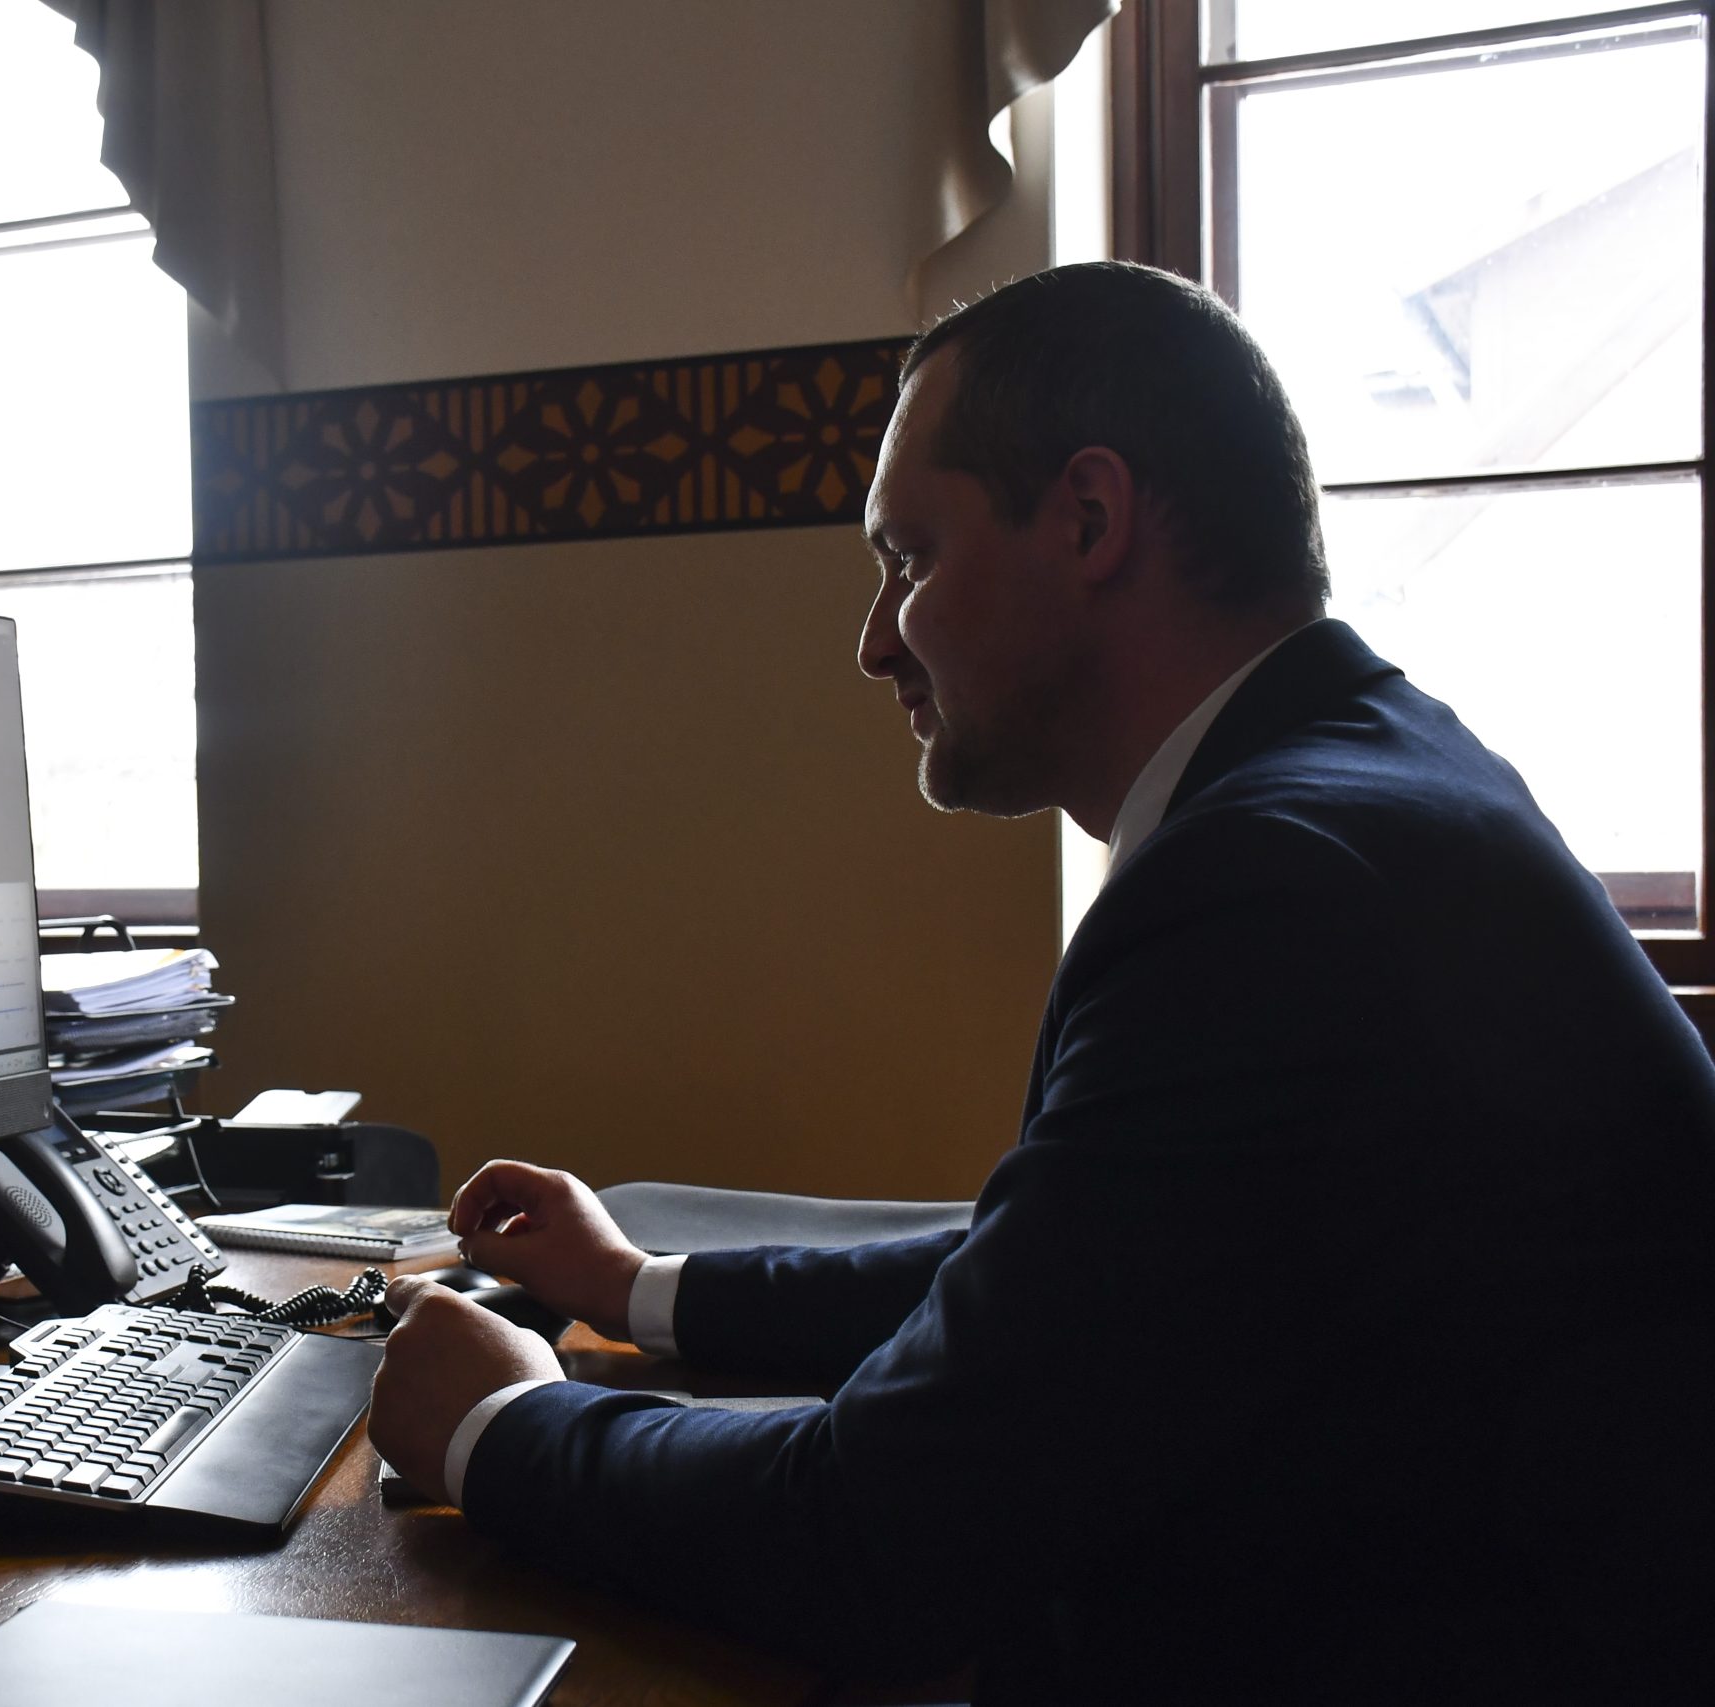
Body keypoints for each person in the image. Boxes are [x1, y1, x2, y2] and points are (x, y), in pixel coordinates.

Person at [366, 262, 1715, 1704]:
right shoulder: (1370, 771)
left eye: (910, 557)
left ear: (1087, 519)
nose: (875, 640)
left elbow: (875, 1542)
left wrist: (500, 1427)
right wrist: (640, 1290)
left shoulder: (1267, 886)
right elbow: (1076, 1278)